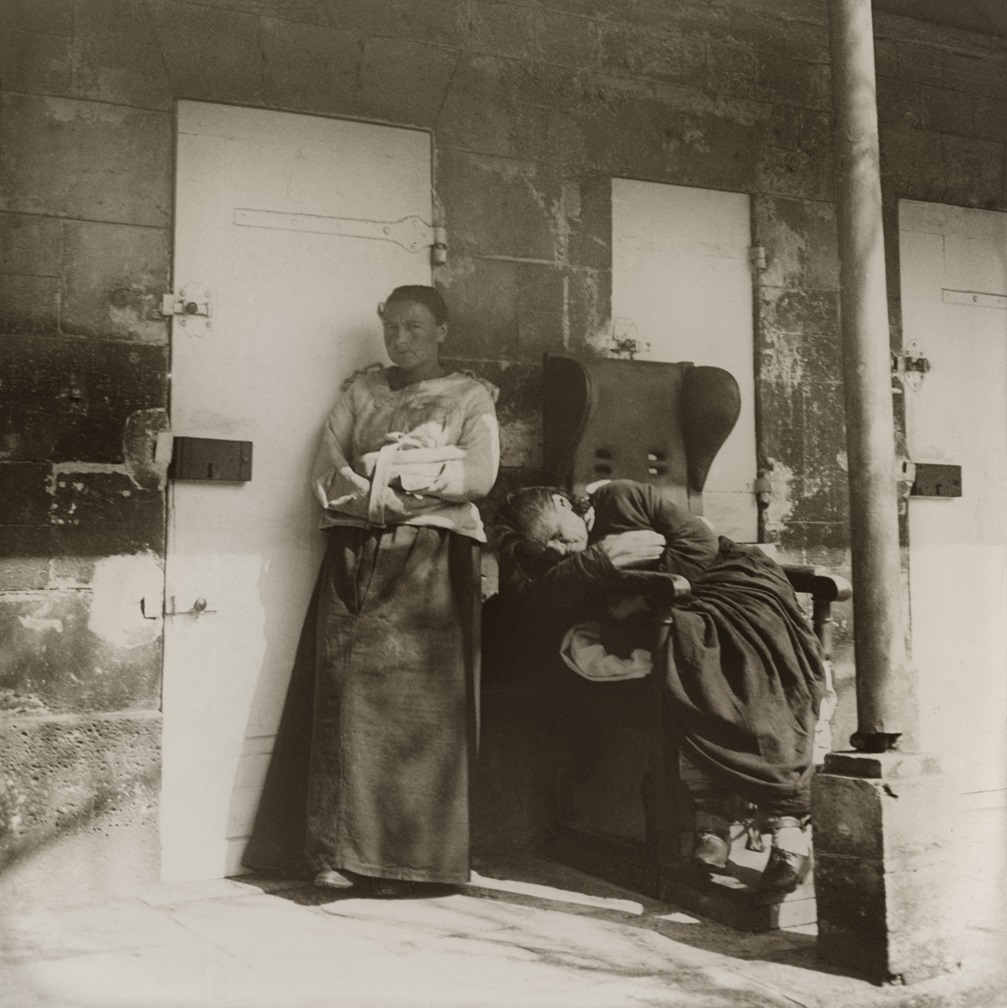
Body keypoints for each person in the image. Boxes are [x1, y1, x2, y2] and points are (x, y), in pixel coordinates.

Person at [245, 285, 499, 897]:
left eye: (415, 327)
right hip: (357, 553)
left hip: (434, 562)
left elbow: (477, 473)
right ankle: (337, 855)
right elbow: (329, 471)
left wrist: (387, 470)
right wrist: (391, 488)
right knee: (347, 700)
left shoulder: (470, 398)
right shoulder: (361, 393)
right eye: (392, 328)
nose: (400, 339)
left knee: (420, 711)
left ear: (442, 331)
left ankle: (410, 864)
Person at [492, 479, 828, 894]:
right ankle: (714, 822)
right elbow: (532, 600)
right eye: (550, 552)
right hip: (676, 611)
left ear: (563, 502)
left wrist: (642, 598)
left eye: (560, 536)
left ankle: (784, 826)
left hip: (734, 586)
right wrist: (600, 559)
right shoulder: (579, 556)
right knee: (687, 655)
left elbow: (700, 546)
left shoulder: (622, 497)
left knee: (720, 658)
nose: (562, 550)